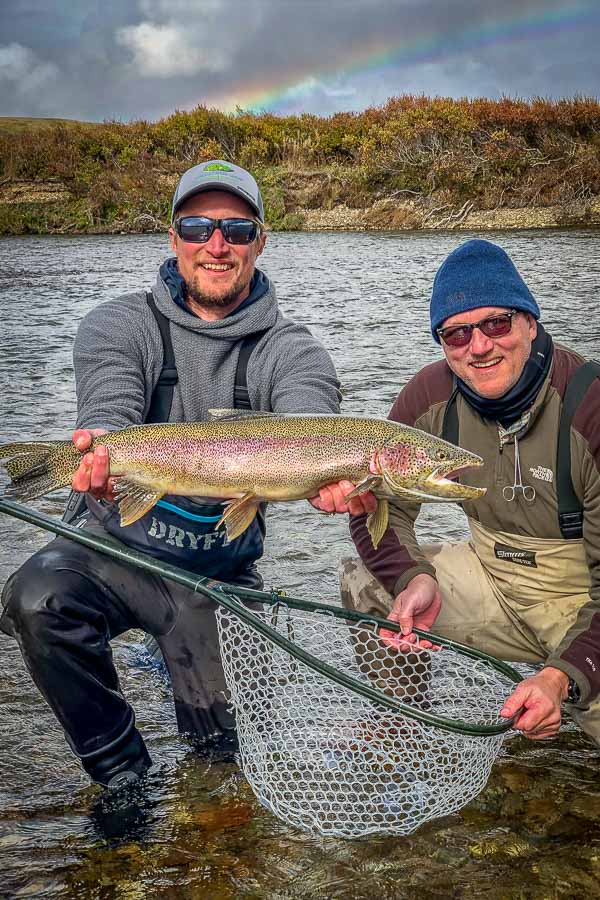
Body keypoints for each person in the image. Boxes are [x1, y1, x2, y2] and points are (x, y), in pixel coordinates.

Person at [0, 160, 374, 790]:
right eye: (198, 227)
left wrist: (329, 470)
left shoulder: (294, 349)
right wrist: (95, 455)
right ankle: (122, 778)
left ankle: (213, 819)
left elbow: (311, 413)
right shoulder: (117, 324)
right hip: (108, 549)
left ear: (260, 240)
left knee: (226, 766)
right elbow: (110, 410)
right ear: (173, 238)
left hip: (217, 572)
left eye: (236, 228)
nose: (216, 245)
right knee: (35, 597)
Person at [341, 238, 600, 746]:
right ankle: (403, 734)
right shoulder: (429, 398)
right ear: (442, 344)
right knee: (367, 585)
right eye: (457, 334)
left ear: (530, 321)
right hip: (491, 579)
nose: (479, 346)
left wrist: (561, 675)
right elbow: (379, 508)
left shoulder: (589, 408)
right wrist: (413, 579)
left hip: (583, 598)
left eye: (496, 324)